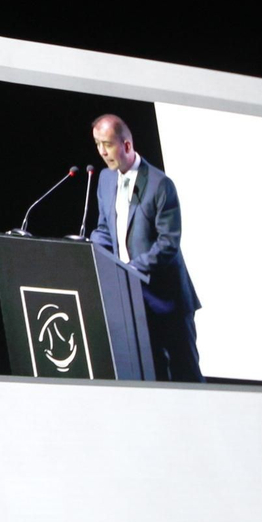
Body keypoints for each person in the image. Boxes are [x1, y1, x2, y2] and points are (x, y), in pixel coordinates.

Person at [88, 114, 203, 382]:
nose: (102, 152)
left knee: (187, 376)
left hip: (167, 300)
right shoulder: (105, 179)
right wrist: (91, 252)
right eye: (97, 144)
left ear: (126, 145)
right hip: (132, 301)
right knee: (152, 377)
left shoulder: (160, 185)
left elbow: (168, 243)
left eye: (107, 144)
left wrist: (130, 270)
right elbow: (105, 229)